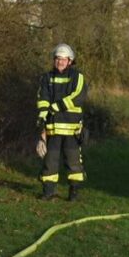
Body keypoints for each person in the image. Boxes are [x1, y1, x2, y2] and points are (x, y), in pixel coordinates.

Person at [36, 43, 88, 201]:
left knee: (73, 162)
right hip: (52, 128)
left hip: (72, 129)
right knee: (50, 161)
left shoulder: (77, 77)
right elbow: (42, 98)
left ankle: (74, 193)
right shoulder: (46, 78)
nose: (60, 62)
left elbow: (79, 96)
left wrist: (57, 106)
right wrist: (42, 116)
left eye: (63, 59)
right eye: (57, 59)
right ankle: (48, 192)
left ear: (70, 61)